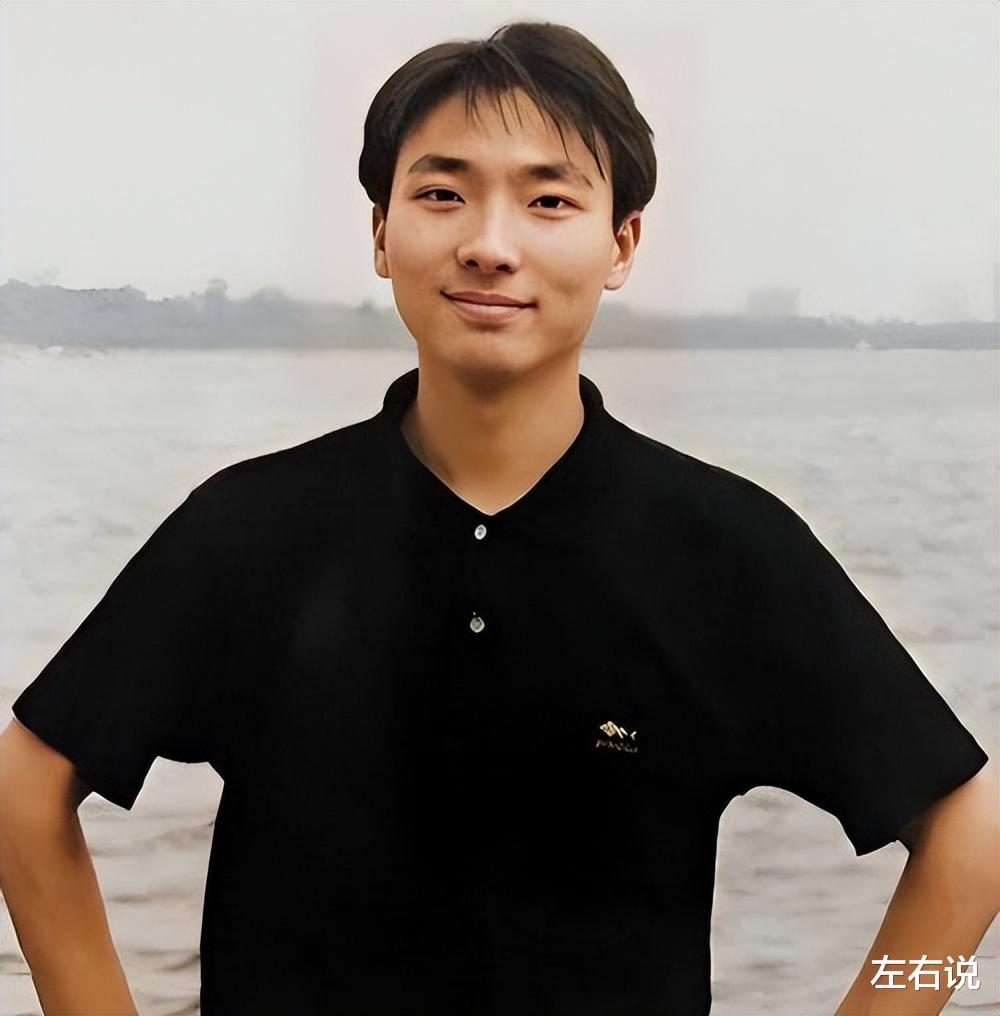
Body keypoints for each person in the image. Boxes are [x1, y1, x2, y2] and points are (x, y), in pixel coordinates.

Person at [0, 20, 995, 1016]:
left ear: (621, 243)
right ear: (381, 232)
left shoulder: (723, 549)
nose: (488, 244)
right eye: (442, 193)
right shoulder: (251, 531)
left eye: (548, 199)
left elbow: (971, 832)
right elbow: (24, 787)